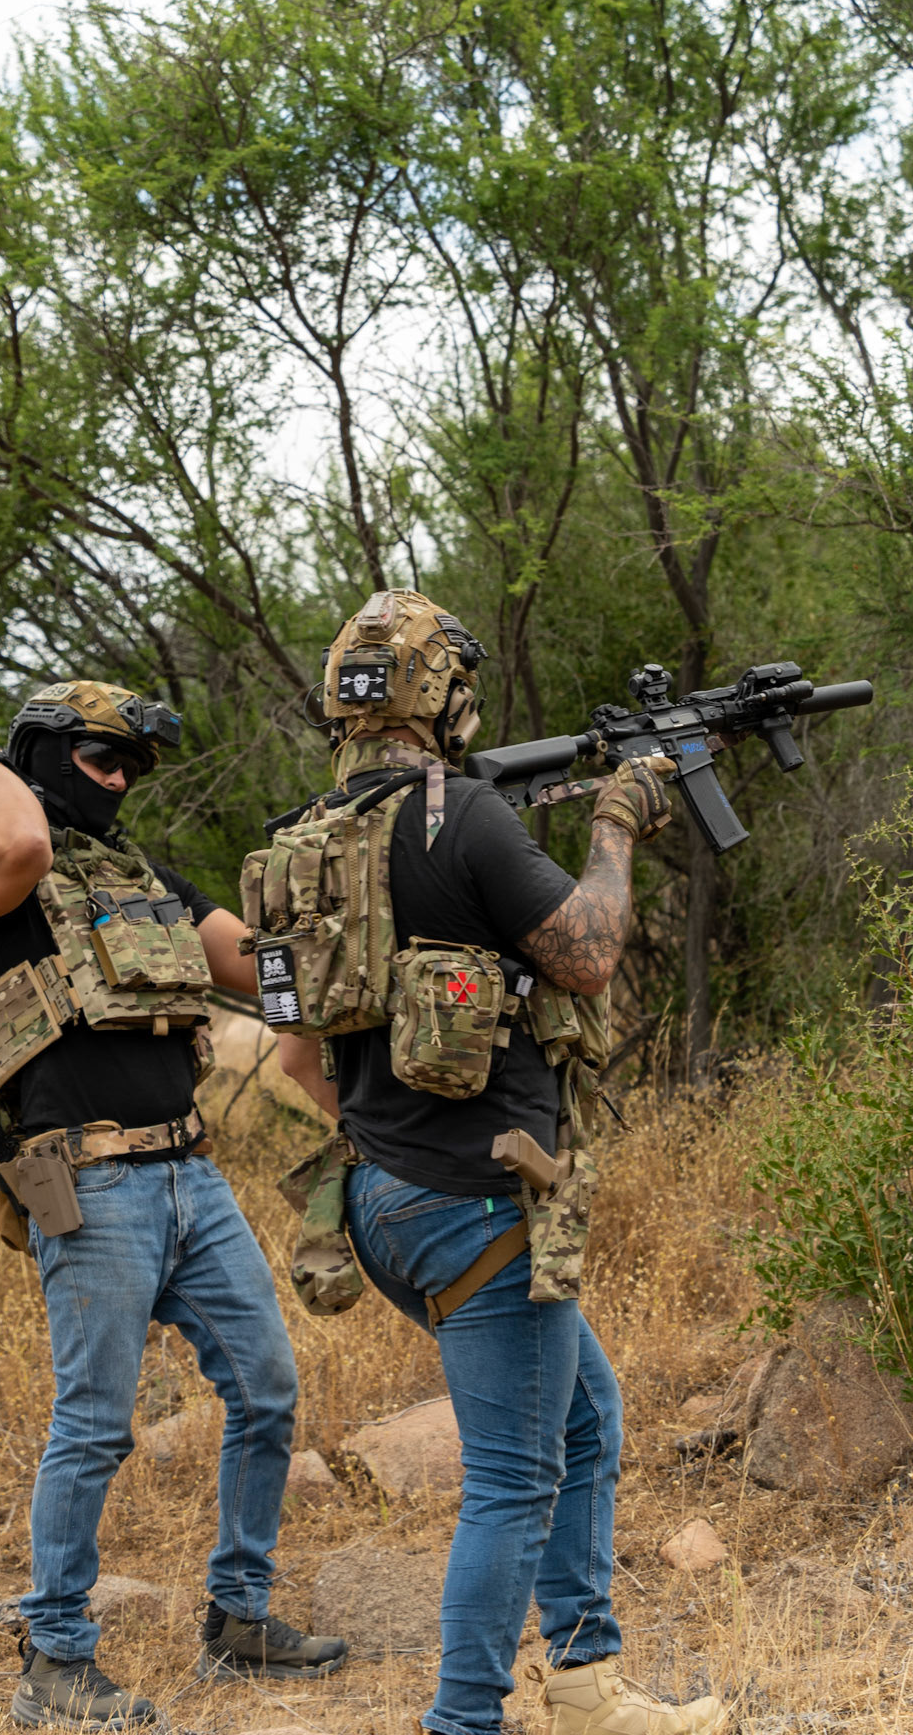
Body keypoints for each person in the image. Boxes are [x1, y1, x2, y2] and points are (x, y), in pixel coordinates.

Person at [271, 592, 729, 1735]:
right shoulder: (461, 812)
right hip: (475, 1204)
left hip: (376, 1198)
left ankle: (585, 1684)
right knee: (517, 1475)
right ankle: (465, 1717)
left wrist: (398, 1139)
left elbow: (295, 1058)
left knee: (586, 1417)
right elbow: (588, 952)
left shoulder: (297, 844)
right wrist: (616, 822)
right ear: (442, 697)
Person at [0, 680, 347, 1732]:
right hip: (91, 1184)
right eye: (98, 759)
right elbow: (22, 840)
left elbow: (255, 968)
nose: (118, 780)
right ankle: (55, 1661)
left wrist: (345, 960)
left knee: (266, 1388)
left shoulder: (143, 879)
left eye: (131, 766)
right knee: (93, 1426)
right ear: (39, 757)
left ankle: (239, 1617)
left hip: (189, 1174)